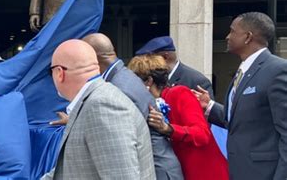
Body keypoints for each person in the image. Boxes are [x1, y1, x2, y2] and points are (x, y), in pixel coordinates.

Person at [42, 39, 155, 180]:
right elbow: (71, 169)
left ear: (59, 73)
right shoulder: (96, 100)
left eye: (50, 72)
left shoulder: (102, 106)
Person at [193, 12, 287, 180]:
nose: (228, 36)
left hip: (265, 173)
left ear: (247, 37)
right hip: (240, 170)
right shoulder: (244, 70)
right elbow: (241, 120)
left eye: (232, 31)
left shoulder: (276, 70)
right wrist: (209, 107)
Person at [82, 33, 183, 180]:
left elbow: (122, 137)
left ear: (94, 58)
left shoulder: (119, 86)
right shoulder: (123, 77)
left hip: (157, 169)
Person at [129, 54, 228, 180]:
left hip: (202, 170)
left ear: (149, 81)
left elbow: (202, 134)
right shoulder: (152, 103)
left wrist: (169, 129)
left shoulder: (179, 93)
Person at [136, 35, 214, 98]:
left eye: (151, 59)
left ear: (165, 57)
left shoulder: (196, 81)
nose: (146, 63)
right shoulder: (149, 79)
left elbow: (207, 115)